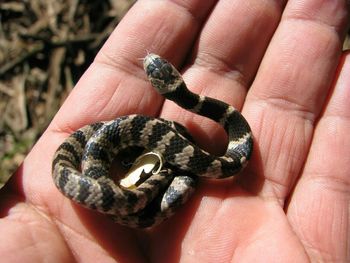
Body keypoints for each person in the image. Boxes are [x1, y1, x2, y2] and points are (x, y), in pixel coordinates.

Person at [0, 0, 349, 262]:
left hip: (134, 174)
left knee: (167, 136)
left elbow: (227, 155)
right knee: (160, 135)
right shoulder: (130, 141)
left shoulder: (224, 142)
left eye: (157, 72)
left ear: (172, 86)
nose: (152, 63)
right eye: (158, 71)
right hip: (117, 175)